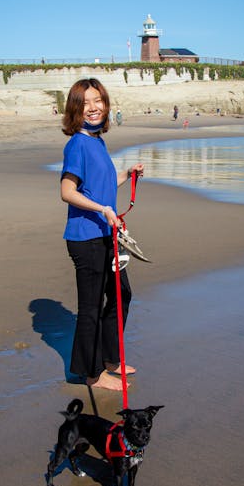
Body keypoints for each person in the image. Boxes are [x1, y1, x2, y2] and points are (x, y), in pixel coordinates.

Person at [60, 78, 144, 391]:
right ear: (75, 109)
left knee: (122, 294)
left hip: (105, 234)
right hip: (85, 238)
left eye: (98, 101)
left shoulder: (97, 141)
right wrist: (103, 210)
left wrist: (127, 174)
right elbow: (67, 192)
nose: (93, 108)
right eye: (86, 103)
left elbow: (102, 186)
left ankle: (111, 358)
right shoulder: (78, 144)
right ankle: (92, 374)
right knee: (91, 308)